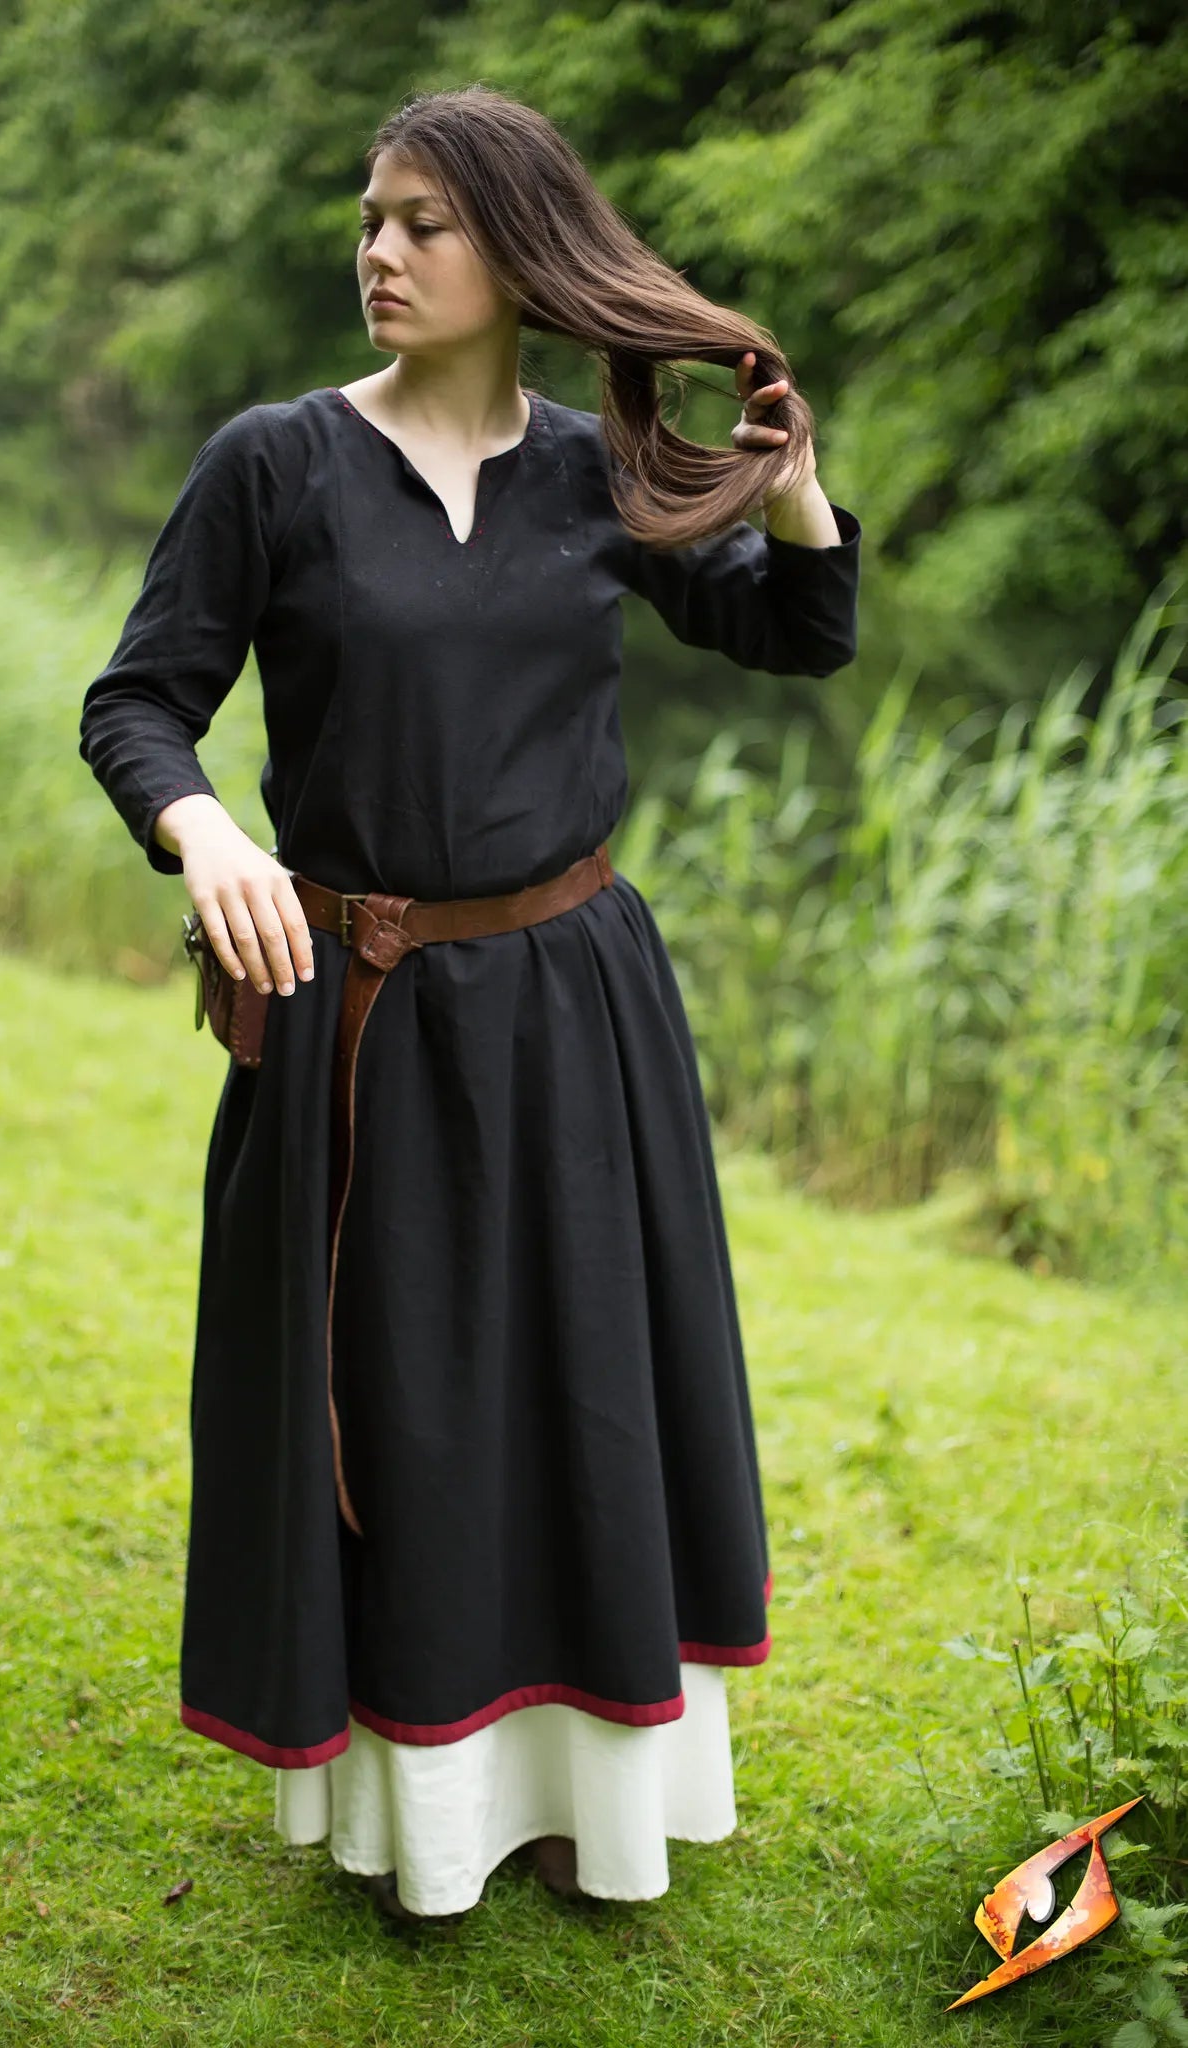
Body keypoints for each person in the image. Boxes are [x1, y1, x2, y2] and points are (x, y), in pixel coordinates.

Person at [78, 84, 861, 1922]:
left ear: (519, 251)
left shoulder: (600, 472)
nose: (379, 252)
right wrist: (204, 837)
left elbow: (795, 633)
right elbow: (140, 702)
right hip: (360, 1015)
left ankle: (603, 1795)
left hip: (573, 1005)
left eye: (422, 222)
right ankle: (415, 1818)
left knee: (581, 1387)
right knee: (403, 1404)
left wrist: (794, 480)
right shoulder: (272, 463)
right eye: (370, 219)